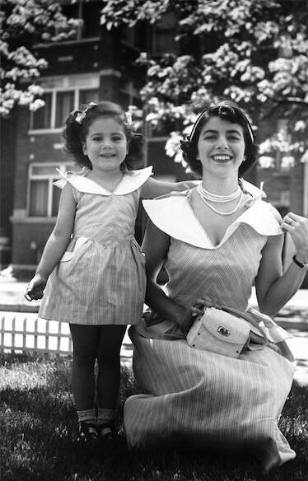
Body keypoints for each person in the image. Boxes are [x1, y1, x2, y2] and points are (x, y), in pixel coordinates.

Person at [124, 99, 308, 472]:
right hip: (174, 334)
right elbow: (140, 280)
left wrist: (303, 257)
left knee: (254, 386)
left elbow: (270, 303)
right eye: (210, 136)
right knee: (218, 387)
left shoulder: (265, 217)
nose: (222, 144)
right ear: (195, 149)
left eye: (233, 136)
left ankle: (181, 422)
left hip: (237, 336)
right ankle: (153, 415)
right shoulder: (169, 208)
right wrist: (179, 315)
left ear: (246, 149)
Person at [24, 101, 195, 444]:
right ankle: (86, 419)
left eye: (116, 138)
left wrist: (216, 186)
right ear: (83, 146)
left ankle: (108, 417)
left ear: (128, 144)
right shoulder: (75, 186)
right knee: (85, 353)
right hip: (81, 276)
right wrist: (41, 275)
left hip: (121, 277)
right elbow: (60, 234)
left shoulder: (136, 183)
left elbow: (177, 190)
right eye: (97, 138)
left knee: (110, 353)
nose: (107, 145)